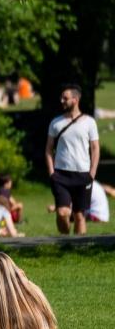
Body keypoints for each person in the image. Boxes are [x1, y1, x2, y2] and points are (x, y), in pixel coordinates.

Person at [45, 84, 99, 235]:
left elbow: (95, 149)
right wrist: (52, 173)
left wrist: (92, 173)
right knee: (62, 213)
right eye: (62, 98)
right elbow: (48, 149)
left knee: (79, 216)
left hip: (83, 174)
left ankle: (77, 247)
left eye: (66, 98)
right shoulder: (55, 123)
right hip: (61, 175)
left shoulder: (89, 122)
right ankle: (65, 241)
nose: (62, 100)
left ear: (75, 100)